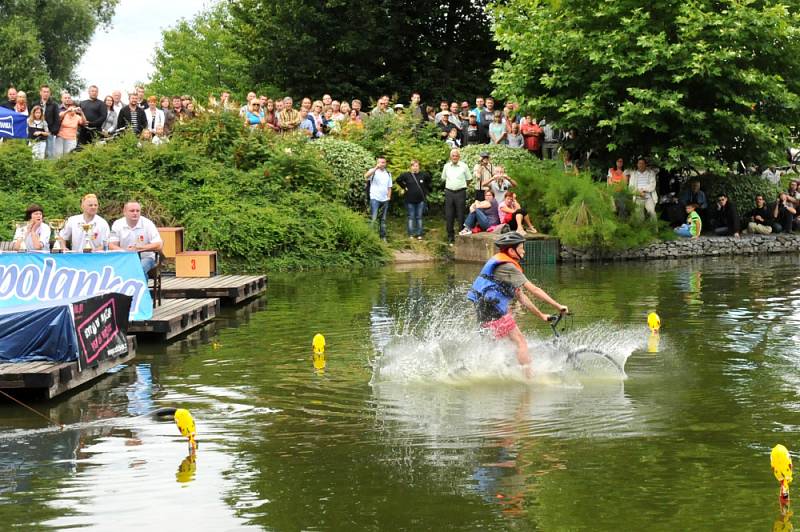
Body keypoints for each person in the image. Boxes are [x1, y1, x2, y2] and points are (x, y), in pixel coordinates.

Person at [467, 232, 568, 378]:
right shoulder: (508, 267)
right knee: (520, 342)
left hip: (486, 307)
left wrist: (541, 315)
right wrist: (558, 306)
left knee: (502, 341)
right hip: (492, 309)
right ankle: (529, 378)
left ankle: (491, 370)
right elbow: (534, 289)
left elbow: (521, 296)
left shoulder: (504, 264)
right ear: (511, 250)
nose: (524, 251)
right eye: (521, 248)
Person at [109, 201, 164, 273]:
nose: (135, 213)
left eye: (137, 211)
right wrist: (125, 251)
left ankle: (140, 283)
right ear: (124, 212)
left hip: (146, 257)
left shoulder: (148, 223)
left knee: (139, 269)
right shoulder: (118, 224)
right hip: (125, 257)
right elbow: (111, 245)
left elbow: (159, 244)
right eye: (132, 211)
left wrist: (139, 248)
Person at [442, 148, 471, 245]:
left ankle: (461, 236)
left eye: (456, 156)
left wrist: (461, 185)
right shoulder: (446, 166)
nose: (454, 157)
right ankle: (450, 237)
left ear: (459, 157)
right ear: (450, 157)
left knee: (461, 214)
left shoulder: (464, 166)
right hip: (449, 192)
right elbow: (444, 178)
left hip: (460, 192)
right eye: (453, 156)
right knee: (449, 215)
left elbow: (469, 179)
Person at [396, 160, 430, 239]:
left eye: (416, 166)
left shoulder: (423, 175)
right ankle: (411, 234)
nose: (415, 167)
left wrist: (425, 190)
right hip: (409, 200)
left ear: (419, 167)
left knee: (419, 217)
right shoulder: (406, 175)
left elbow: (428, 182)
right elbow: (398, 180)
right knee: (411, 217)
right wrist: (404, 187)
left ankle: (419, 234)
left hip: (420, 200)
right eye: (413, 166)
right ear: (410, 167)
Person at [364, 157, 392, 242]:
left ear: (385, 163)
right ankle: (371, 237)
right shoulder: (373, 171)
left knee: (383, 219)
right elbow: (366, 176)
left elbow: (389, 187)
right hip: (375, 198)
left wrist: (388, 197)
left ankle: (383, 237)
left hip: (385, 199)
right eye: (380, 162)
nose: (381, 164)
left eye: (383, 162)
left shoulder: (388, 173)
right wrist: (376, 167)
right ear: (377, 163)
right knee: (374, 218)